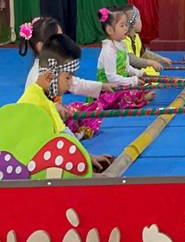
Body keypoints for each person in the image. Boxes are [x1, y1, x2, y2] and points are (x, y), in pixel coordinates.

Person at [18, 33, 113, 172]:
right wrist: (87, 159)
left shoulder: (38, 92)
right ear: (49, 76)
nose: (70, 83)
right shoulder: (43, 102)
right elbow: (65, 136)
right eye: (68, 78)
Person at [19, 17, 116, 138]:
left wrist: (102, 86)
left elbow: (75, 83)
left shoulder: (58, 68)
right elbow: (36, 105)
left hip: (55, 117)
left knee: (89, 109)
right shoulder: (37, 74)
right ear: (41, 47)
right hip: (40, 125)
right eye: (58, 39)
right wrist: (55, 108)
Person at [96, 7, 155, 105]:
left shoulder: (122, 44)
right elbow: (111, 78)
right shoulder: (109, 50)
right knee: (125, 96)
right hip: (109, 88)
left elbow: (127, 68)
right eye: (122, 25)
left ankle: (140, 97)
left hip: (119, 83)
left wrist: (139, 73)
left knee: (140, 86)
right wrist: (133, 80)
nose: (126, 28)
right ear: (110, 30)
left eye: (126, 25)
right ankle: (140, 99)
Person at [120, 5, 172, 71]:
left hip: (135, 72)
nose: (141, 21)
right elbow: (132, 59)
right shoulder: (124, 40)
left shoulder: (136, 36)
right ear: (134, 23)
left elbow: (143, 53)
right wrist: (151, 63)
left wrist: (162, 59)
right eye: (139, 18)